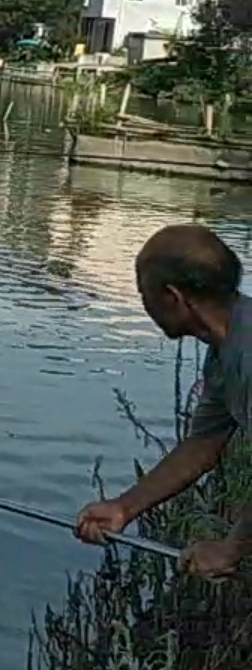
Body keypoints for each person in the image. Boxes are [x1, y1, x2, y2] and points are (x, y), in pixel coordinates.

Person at [76, 223, 252, 579]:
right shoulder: (226, 345)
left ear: (173, 296)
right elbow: (202, 445)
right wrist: (124, 508)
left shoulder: (248, 353)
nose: (144, 304)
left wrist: (231, 548)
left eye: (144, 293)